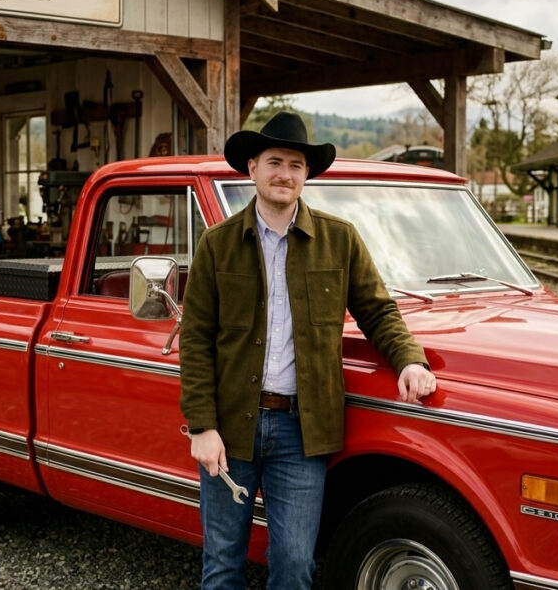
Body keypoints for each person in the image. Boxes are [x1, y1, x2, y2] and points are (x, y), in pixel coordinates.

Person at [179, 111, 436, 589]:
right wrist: (202, 426)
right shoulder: (217, 245)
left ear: (307, 175)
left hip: (302, 432)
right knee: (221, 563)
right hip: (231, 428)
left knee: (296, 565)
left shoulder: (339, 240)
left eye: (296, 165)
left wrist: (409, 358)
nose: (285, 174)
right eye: (275, 162)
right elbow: (195, 339)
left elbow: (377, 310)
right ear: (252, 167)